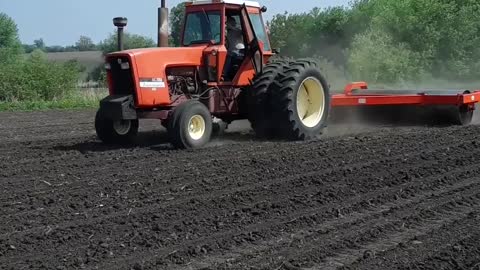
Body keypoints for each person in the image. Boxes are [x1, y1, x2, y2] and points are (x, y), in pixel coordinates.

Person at [223, 16, 245, 80]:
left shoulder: (237, 31)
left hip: (239, 51)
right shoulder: (226, 32)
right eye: (226, 23)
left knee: (230, 54)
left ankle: (224, 74)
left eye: (228, 23)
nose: (226, 24)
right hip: (229, 51)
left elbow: (242, 32)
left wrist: (232, 27)